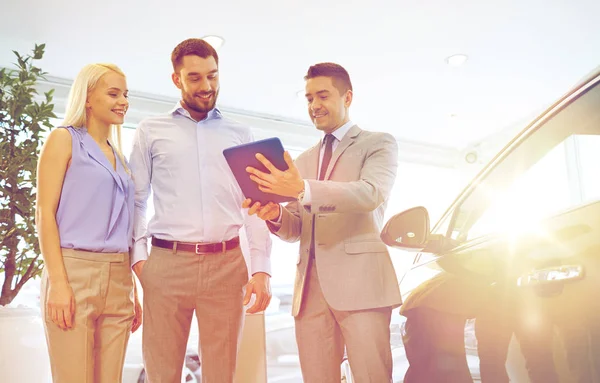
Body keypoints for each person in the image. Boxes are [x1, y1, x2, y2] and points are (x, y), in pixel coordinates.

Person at [243, 62, 401, 382]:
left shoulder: (378, 143)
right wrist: (275, 216)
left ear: (348, 97)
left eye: (323, 96)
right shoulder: (301, 161)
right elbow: (298, 228)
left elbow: (370, 194)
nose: (314, 105)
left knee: (372, 377)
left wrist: (301, 188)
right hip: (310, 292)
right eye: (309, 98)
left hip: (362, 286)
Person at [129, 38, 272, 382]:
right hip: (166, 264)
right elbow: (136, 198)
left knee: (222, 374)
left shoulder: (240, 133)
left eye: (213, 76)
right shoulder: (151, 130)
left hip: (226, 267)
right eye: (195, 78)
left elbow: (254, 206)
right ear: (176, 79)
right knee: (162, 372)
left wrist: (262, 269)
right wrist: (139, 260)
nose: (206, 86)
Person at [36, 63, 142, 383]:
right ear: (87, 98)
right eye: (113, 93)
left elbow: (126, 227)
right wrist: (58, 282)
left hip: (119, 274)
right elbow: (44, 213)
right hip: (73, 271)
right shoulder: (63, 140)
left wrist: (132, 289)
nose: (123, 101)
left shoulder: (120, 159)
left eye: (125, 94)